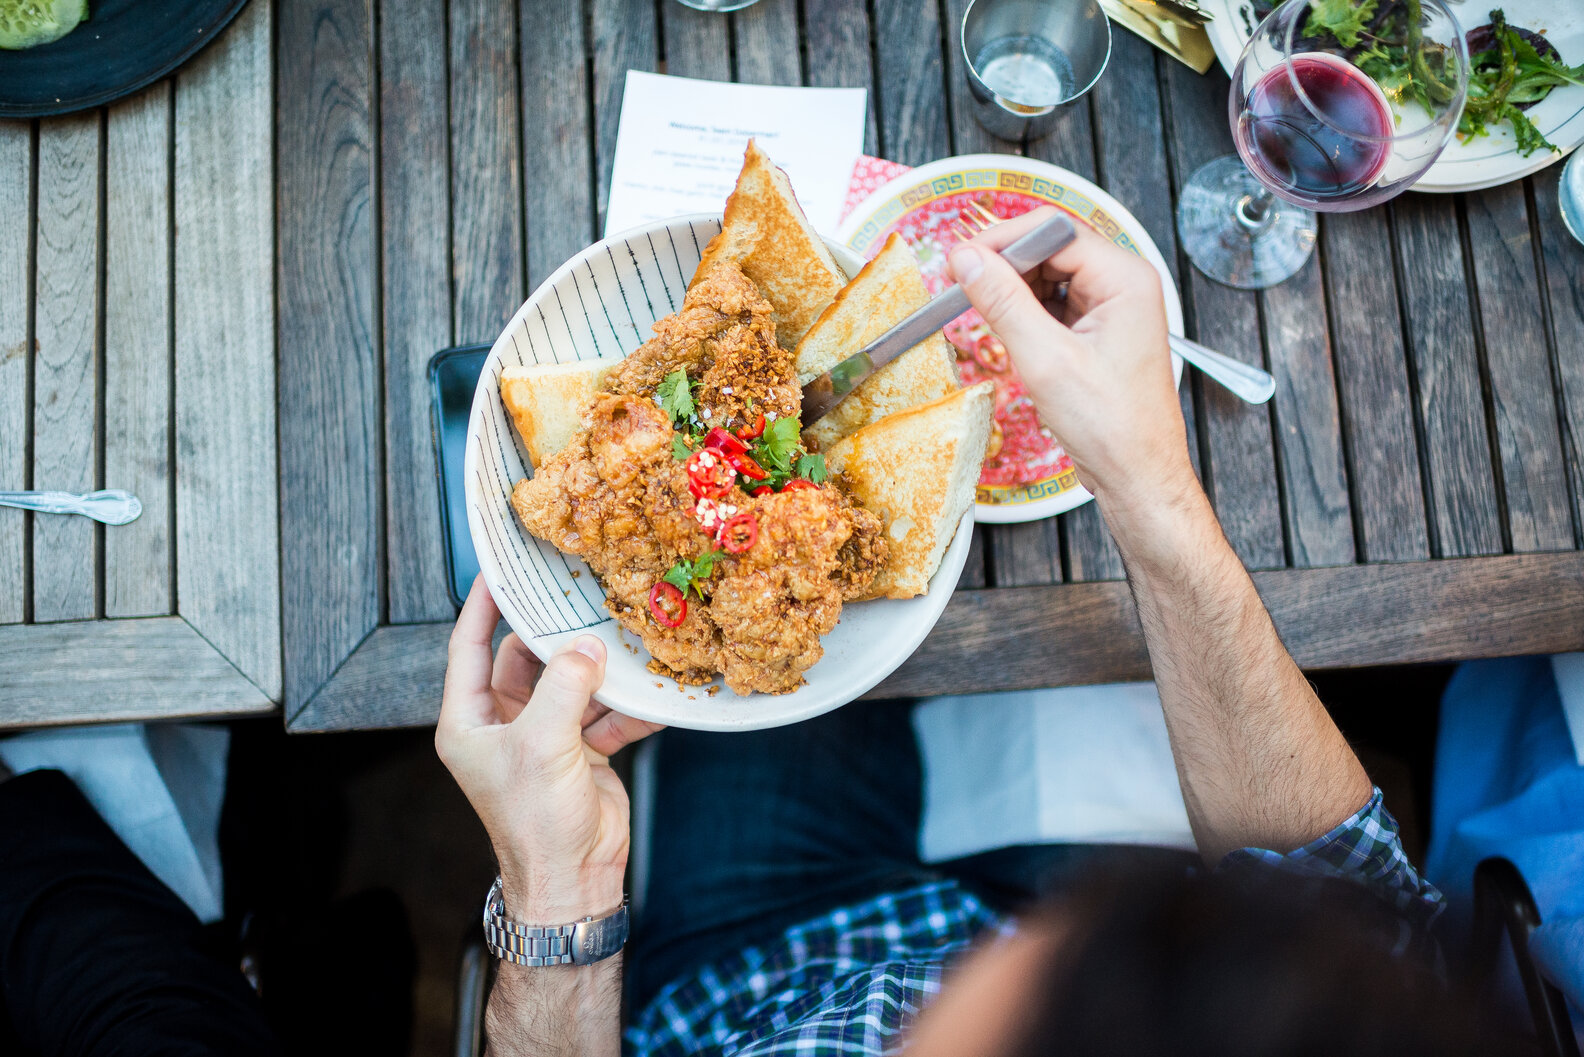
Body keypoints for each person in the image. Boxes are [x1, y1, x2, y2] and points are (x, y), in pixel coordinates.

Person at [434, 208, 1516, 1056]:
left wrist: (559, 886)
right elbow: (1342, 890)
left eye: (1046, 979)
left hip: (741, 969)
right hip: (990, 905)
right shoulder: (1291, 1010)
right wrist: (1149, 489)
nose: (1048, 936)